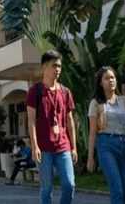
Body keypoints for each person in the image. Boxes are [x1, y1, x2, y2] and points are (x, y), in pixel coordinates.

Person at [85, 66, 125, 204]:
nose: (111, 81)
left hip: (123, 144)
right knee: (117, 190)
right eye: (107, 78)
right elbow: (92, 132)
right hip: (105, 144)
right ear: (101, 83)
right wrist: (90, 157)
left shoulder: (124, 101)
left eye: (113, 77)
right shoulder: (95, 103)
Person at [25, 50, 76, 204]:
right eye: (54, 66)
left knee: (69, 185)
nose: (58, 70)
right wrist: (34, 146)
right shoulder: (35, 91)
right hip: (44, 148)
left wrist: (73, 147)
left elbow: (70, 121)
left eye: (59, 66)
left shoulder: (66, 92)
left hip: (63, 146)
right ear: (45, 67)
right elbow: (31, 120)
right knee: (46, 189)